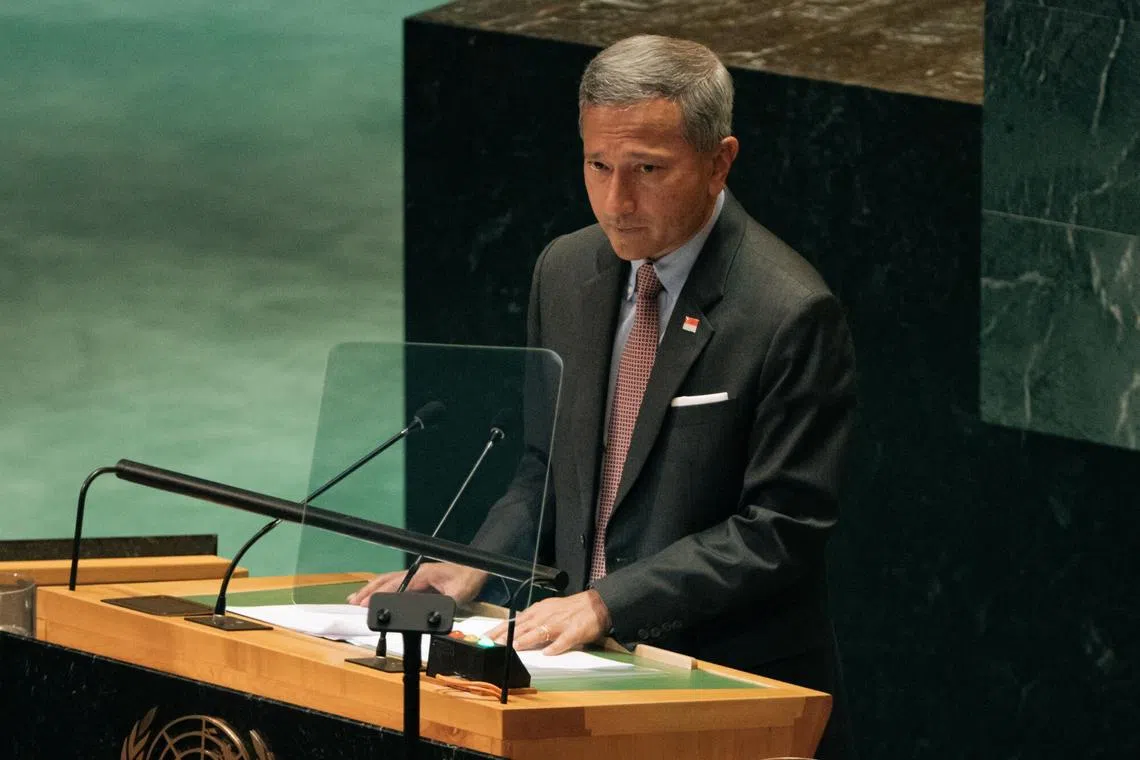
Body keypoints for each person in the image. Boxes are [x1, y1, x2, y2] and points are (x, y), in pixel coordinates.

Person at [351, 34, 856, 759]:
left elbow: (779, 529)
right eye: (598, 166)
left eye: (648, 169)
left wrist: (607, 603)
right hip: (580, 683)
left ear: (720, 162)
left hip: (724, 695)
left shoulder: (789, 311)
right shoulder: (564, 270)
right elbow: (545, 465)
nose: (617, 201)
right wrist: (480, 562)